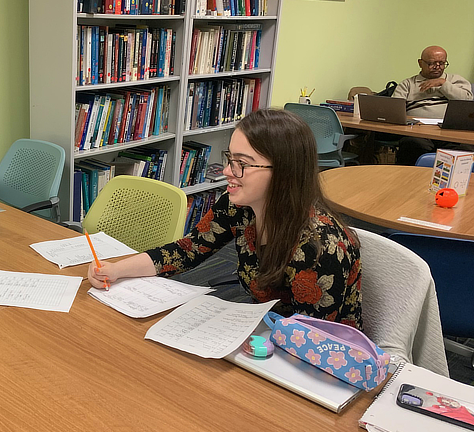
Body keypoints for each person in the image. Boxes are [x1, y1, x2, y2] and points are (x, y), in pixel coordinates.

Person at [88, 109, 363, 330]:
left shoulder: (320, 247)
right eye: (230, 159)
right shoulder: (239, 207)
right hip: (261, 329)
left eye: (241, 163)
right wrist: (116, 270)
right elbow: (186, 251)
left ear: (283, 172)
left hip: (313, 362)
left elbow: (313, 338)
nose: (227, 171)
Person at [391, 45, 474, 165]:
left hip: (450, 133)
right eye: (431, 63)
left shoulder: (456, 80)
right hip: (418, 133)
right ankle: (409, 180)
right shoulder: (407, 84)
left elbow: (467, 100)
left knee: (466, 148)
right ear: (420, 63)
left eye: (442, 63)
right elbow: (394, 110)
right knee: (410, 144)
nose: (437, 67)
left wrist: (443, 84)